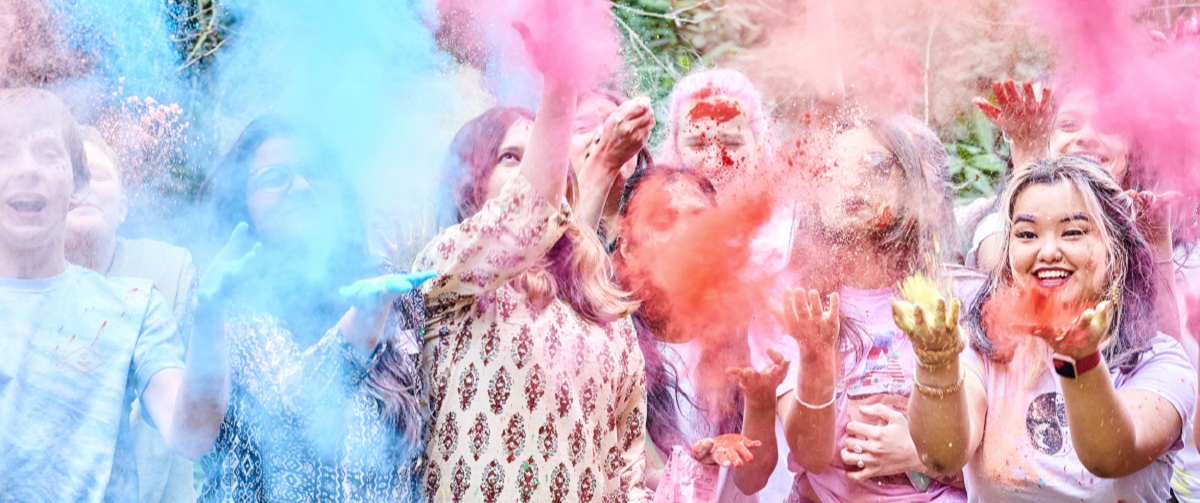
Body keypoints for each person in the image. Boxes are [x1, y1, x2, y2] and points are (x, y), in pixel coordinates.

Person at [415, 38, 651, 498]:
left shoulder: (606, 310)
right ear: (468, 186)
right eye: (510, 158)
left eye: (543, 159)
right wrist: (560, 85)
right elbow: (525, 217)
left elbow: (626, 471)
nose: (534, 172)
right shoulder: (447, 270)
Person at [905, 155, 1195, 502]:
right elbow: (942, 454)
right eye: (1027, 234)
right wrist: (936, 365)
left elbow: (1109, 457)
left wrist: (1080, 359)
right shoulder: (984, 348)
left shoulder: (1160, 360)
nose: (1048, 251)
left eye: (1073, 232)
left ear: (1115, 254)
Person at [0, 88, 228, 502]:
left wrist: (213, 323)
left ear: (76, 183)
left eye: (48, 155)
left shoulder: (134, 305)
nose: (26, 170)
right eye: (4, 154)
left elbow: (190, 434)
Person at [195, 116, 431, 502]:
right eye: (275, 177)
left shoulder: (393, 287)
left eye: (316, 172)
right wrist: (359, 331)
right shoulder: (228, 297)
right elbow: (291, 418)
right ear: (244, 200)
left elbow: (421, 444)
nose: (301, 188)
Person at [753, 115, 973, 502]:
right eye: (834, 172)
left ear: (910, 185)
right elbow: (811, 455)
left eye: (875, 168)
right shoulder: (791, 300)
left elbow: (995, 459)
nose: (853, 183)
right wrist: (816, 359)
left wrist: (921, 455)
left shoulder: (956, 295)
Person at [614, 165, 788, 501]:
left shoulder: (752, 325)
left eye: (700, 220)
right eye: (664, 222)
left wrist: (762, 404)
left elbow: (753, 479)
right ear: (627, 248)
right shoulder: (611, 341)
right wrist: (689, 463)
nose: (687, 236)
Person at [64, 125, 199, 502]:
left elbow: (200, 406)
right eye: (71, 175)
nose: (83, 187)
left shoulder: (170, 269)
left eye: (97, 176)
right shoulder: (18, 285)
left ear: (123, 206)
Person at [571, 88, 655, 249]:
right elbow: (563, 264)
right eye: (583, 127)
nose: (605, 133)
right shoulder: (536, 230)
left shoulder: (658, 229)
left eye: (620, 125)